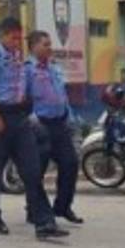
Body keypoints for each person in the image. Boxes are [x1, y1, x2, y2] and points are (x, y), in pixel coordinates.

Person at [0, 16, 67, 240]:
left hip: (19, 117)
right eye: (14, 38)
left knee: (33, 170)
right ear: (3, 35)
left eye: (19, 38)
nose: (18, 42)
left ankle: (44, 222)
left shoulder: (18, 56)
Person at [25, 30, 82, 224]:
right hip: (40, 125)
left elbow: (62, 95)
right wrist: (32, 121)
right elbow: (23, 98)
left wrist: (70, 118)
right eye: (45, 44)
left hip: (60, 123)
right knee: (37, 170)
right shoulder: (27, 70)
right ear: (33, 47)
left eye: (50, 44)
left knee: (70, 163)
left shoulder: (54, 68)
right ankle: (33, 210)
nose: (50, 48)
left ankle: (62, 207)